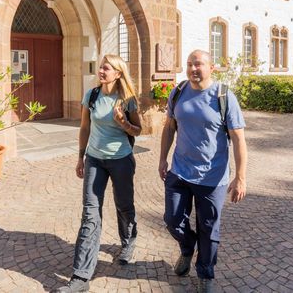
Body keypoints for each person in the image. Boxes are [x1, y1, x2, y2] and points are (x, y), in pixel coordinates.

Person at [159, 50, 248, 293]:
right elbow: (169, 128)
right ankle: (188, 248)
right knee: (172, 220)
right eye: (189, 64)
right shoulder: (178, 92)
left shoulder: (224, 96)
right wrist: (162, 159)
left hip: (212, 177)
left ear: (211, 68)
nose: (193, 69)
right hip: (179, 171)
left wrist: (240, 177)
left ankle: (205, 274)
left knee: (209, 229)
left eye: (198, 64)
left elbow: (238, 139)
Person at [54, 54, 142, 293]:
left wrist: (123, 123)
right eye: (101, 67)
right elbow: (84, 127)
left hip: (121, 160)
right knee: (90, 214)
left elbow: (138, 130)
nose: (101, 70)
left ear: (118, 73)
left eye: (107, 67)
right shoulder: (91, 95)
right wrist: (80, 157)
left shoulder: (127, 99)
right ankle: (81, 277)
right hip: (94, 160)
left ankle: (128, 242)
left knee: (124, 205)